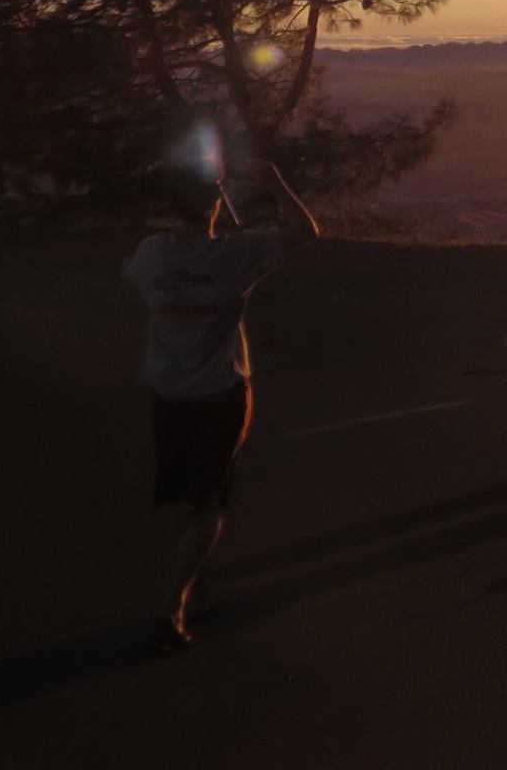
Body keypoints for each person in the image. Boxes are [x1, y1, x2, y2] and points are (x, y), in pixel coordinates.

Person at [122, 158, 319, 652]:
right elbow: (306, 231)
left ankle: (202, 588)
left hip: (167, 393)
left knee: (191, 494)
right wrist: (276, 183)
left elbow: (132, 273)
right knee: (209, 503)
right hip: (218, 392)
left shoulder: (151, 253)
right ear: (215, 204)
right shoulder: (235, 255)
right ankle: (175, 603)